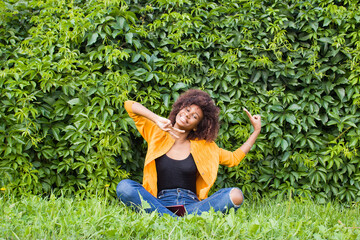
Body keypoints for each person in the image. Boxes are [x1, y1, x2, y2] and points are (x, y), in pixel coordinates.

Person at [116, 89, 261, 216]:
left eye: (194, 116)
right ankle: (177, 221)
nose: (187, 115)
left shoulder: (206, 147)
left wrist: (256, 131)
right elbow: (129, 105)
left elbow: (234, 158)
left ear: (197, 127)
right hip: (158, 203)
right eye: (187, 110)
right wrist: (156, 119)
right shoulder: (157, 133)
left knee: (235, 195)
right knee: (124, 187)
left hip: (192, 207)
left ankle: (166, 220)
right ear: (180, 108)